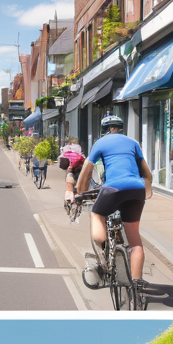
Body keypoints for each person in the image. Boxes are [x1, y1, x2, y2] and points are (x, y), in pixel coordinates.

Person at [75, 113, 154, 285]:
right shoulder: (133, 143)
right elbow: (146, 171)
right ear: (121, 128)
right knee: (134, 239)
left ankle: (103, 255)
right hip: (137, 189)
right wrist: (147, 190)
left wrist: (80, 191)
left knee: (96, 215)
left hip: (113, 188)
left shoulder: (100, 143)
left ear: (106, 130)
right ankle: (137, 282)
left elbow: (87, 169)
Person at [60, 138, 85, 204]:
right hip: (78, 168)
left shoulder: (66, 148)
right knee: (79, 180)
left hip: (69, 168)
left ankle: (68, 198)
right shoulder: (78, 148)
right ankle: (79, 196)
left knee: (69, 181)